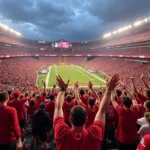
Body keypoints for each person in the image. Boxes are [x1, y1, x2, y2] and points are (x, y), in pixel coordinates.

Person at [53, 74, 119, 150]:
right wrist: (108, 91)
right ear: (86, 119)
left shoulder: (61, 132)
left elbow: (58, 107)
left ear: (70, 119)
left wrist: (62, 90)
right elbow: (102, 110)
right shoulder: (94, 133)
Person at [111, 85, 140, 150]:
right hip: (133, 139)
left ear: (123, 104)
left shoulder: (121, 110)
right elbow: (134, 99)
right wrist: (126, 90)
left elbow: (113, 100)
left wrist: (112, 89)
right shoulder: (135, 110)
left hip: (122, 140)